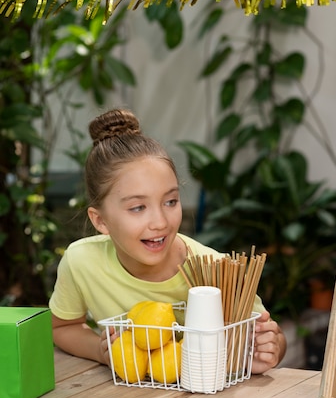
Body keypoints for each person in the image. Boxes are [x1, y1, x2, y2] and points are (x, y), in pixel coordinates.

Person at [49, 108, 287, 374]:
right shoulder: (82, 261)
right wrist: (100, 352)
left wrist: (271, 346)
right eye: (138, 207)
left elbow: (265, 337)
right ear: (100, 221)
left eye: (171, 201)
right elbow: (63, 327)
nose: (160, 221)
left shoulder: (218, 271)